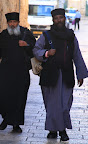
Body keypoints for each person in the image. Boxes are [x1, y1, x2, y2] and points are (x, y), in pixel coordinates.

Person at [33, 8, 88, 141]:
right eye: (56, 18)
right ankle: (56, 131)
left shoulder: (70, 36)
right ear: (53, 20)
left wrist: (80, 73)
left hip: (66, 75)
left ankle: (61, 128)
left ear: (64, 19)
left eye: (61, 18)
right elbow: (36, 50)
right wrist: (46, 53)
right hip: (50, 76)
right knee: (52, 105)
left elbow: (77, 55)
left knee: (64, 105)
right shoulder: (46, 35)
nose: (59, 20)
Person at [0, 12, 36, 133]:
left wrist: (26, 45)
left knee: (19, 98)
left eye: (14, 22)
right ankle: (6, 118)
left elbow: (35, 50)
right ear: (7, 23)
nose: (12, 24)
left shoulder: (26, 33)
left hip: (21, 72)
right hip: (6, 72)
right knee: (3, 97)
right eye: (10, 22)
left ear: (18, 22)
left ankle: (15, 124)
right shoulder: (3, 35)